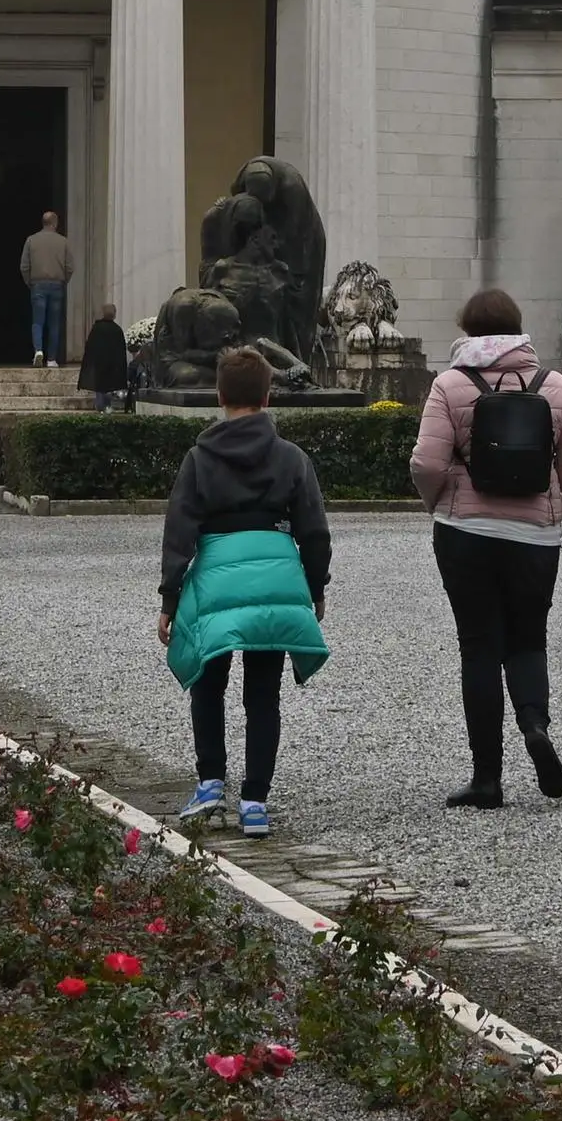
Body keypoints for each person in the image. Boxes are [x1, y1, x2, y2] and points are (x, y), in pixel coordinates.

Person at [411, 289, 562, 809]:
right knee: (527, 640)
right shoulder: (555, 387)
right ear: (517, 331)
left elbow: (426, 464)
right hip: (536, 538)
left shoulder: (449, 384)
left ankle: (487, 779)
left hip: (465, 533)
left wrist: (442, 502)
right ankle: (535, 725)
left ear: (467, 330)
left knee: (478, 646)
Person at [159, 346, 331, 841]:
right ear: (268, 394)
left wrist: (170, 599)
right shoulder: (292, 458)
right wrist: (314, 589)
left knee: (208, 682)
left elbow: (179, 532)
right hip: (274, 577)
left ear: (218, 395)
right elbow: (314, 533)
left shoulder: (198, 459)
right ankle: (255, 800)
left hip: (216, 576)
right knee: (263, 694)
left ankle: (211, 780)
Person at [20, 209, 74, 366]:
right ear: (55, 223)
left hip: (38, 284)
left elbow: (24, 266)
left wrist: (30, 282)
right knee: (54, 323)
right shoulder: (63, 241)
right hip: (57, 284)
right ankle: (51, 359)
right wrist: (64, 280)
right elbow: (70, 266)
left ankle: (38, 350)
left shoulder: (31, 240)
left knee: (38, 321)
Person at [77, 301, 131, 413]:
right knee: (108, 389)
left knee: (100, 388)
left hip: (99, 365)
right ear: (114, 314)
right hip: (112, 366)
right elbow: (121, 352)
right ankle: (106, 409)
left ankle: (101, 408)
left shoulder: (97, 328)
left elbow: (90, 348)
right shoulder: (117, 330)